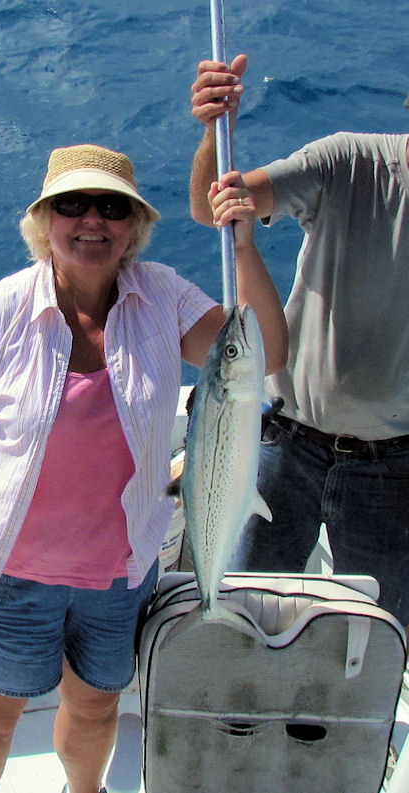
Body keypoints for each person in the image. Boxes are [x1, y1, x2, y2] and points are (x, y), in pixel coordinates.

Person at [0, 143, 287, 793]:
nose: (93, 219)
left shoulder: (164, 297)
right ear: (45, 220)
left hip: (115, 573)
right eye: (73, 204)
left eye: (113, 206)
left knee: (95, 707)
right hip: (8, 572)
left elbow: (264, 351)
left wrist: (244, 246)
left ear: (134, 226)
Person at [189, 56, 409, 626]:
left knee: (374, 642)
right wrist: (217, 133)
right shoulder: (347, 163)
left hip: (394, 468)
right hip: (288, 446)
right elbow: (213, 208)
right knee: (246, 623)